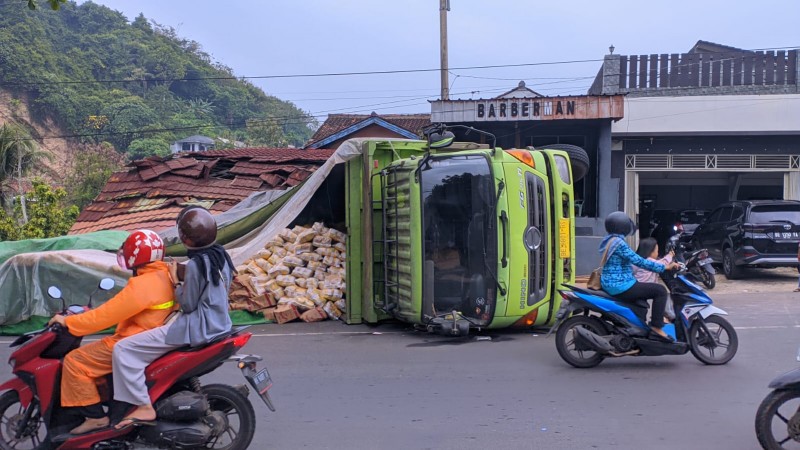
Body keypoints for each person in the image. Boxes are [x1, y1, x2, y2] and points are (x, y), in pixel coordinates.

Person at [111, 206, 234, 430]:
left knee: (123, 349)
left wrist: (177, 282)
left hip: (199, 327)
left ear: (185, 238)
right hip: (221, 323)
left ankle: (142, 405)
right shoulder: (220, 255)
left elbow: (187, 305)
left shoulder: (197, 264)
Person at [48, 230, 175, 435]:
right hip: (147, 336)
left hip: (131, 341)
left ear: (136, 255)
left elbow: (105, 317)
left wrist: (68, 321)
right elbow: (119, 308)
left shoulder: (143, 284)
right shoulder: (164, 275)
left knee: (75, 361)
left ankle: (95, 418)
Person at [599, 211, 679, 340]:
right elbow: (639, 261)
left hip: (615, 282)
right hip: (620, 285)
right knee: (660, 291)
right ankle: (656, 327)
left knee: (643, 298)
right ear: (623, 226)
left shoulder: (610, 241)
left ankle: (637, 330)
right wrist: (664, 266)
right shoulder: (619, 243)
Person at [633, 237, 676, 322]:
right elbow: (661, 263)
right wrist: (670, 256)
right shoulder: (648, 261)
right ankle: (658, 321)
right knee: (662, 293)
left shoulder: (638, 259)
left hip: (638, 287)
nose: (657, 253)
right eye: (656, 251)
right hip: (642, 288)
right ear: (649, 251)